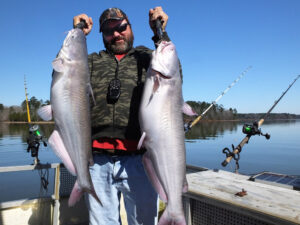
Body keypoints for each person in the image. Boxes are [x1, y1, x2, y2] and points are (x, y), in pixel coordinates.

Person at [73, 6, 173, 225]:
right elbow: (62, 77)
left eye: (121, 27)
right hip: (96, 161)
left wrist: (160, 32)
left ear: (130, 27)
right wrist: (77, 34)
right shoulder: (91, 61)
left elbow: (173, 74)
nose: (116, 34)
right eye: (109, 31)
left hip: (140, 160)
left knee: (144, 222)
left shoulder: (147, 57)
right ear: (102, 35)